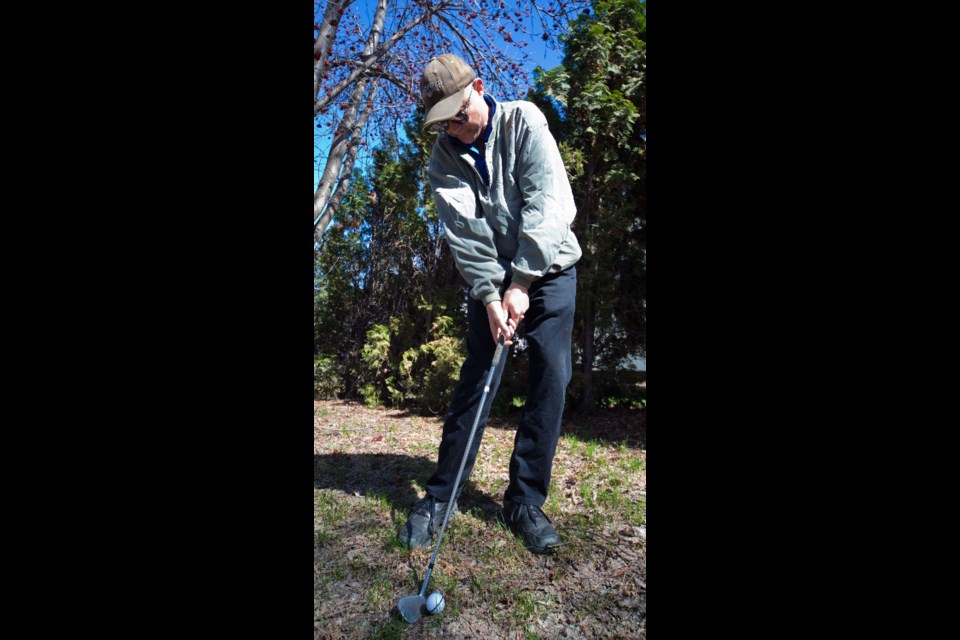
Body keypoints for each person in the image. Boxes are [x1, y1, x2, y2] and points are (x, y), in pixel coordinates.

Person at [397, 54, 581, 554]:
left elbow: (551, 205)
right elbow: (466, 236)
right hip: (493, 278)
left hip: (551, 268)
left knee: (551, 374)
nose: (455, 130)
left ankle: (524, 500)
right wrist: (490, 296)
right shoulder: (444, 158)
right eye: (444, 122)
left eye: (460, 115)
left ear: (479, 87)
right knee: (478, 373)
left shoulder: (525, 121)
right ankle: (442, 494)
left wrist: (521, 283)